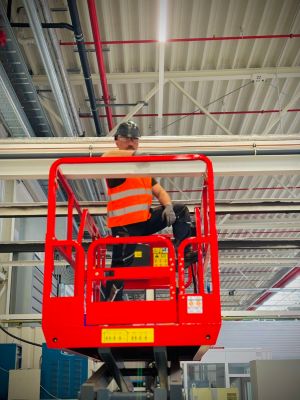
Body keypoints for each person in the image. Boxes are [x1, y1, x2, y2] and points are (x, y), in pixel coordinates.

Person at [102, 121, 198, 301]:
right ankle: (110, 305)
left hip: (144, 221)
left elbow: (160, 192)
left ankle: (182, 255)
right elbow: (105, 156)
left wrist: (168, 206)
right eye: (127, 139)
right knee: (120, 267)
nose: (131, 142)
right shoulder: (113, 165)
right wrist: (134, 154)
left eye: (135, 140)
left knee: (181, 210)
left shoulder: (144, 174)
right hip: (124, 227)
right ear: (117, 141)